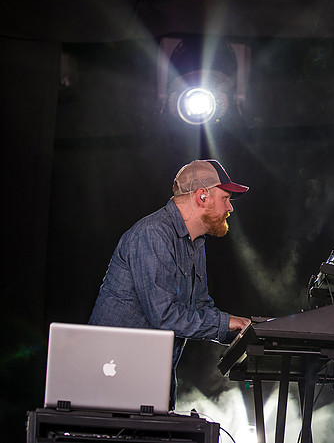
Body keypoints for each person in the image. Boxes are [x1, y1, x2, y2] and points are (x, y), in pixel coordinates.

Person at [88, 159, 252, 409]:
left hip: (147, 383)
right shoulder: (152, 234)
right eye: (226, 198)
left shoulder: (195, 243)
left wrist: (245, 332)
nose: (230, 208)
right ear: (202, 196)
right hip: (112, 381)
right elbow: (164, 315)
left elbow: (200, 308)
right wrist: (227, 322)